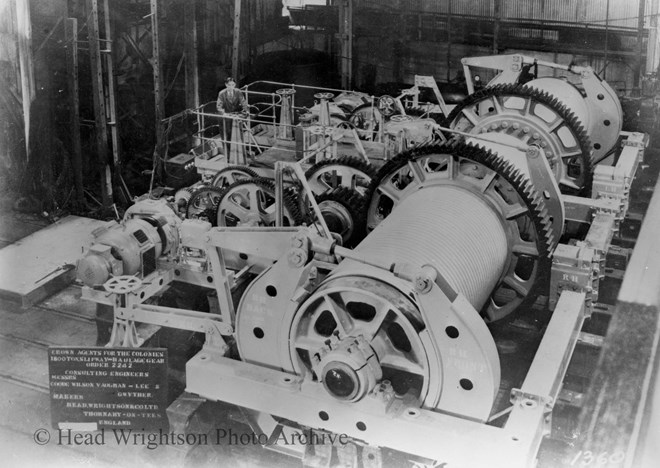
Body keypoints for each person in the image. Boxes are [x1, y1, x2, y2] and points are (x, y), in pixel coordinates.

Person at [216, 77, 249, 154]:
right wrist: (224, 113)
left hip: (235, 116)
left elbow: (243, 102)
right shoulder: (222, 93)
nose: (231, 87)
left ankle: (237, 152)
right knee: (226, 136)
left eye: (233, 85)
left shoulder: (238, 92)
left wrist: (246, 110)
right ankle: (227, 154)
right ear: (226, 85)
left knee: (236, 134)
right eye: (229, 85)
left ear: (235, 85)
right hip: (225, 118)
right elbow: (219, 106)